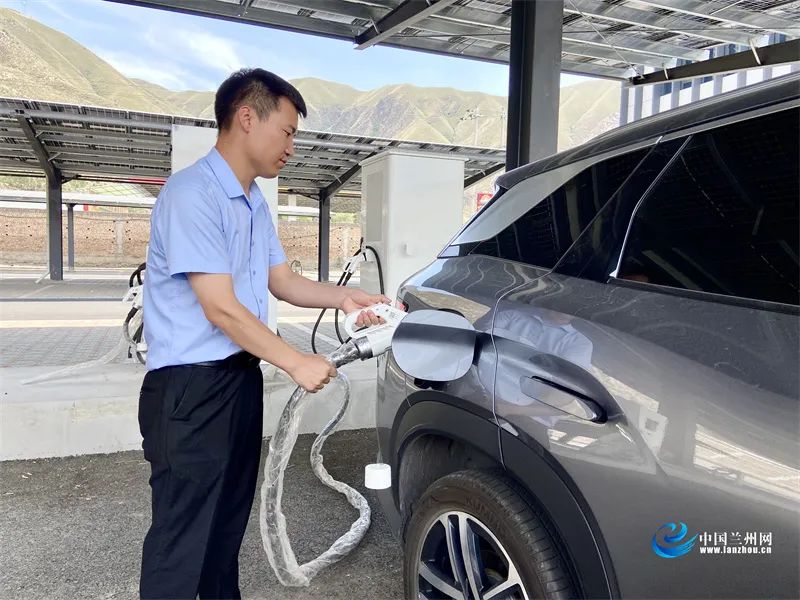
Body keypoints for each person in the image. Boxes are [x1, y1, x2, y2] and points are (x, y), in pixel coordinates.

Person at [137, 68, 389, 599]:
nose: (292, 147)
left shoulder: (253, 202)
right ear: (247, 118)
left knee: (225, 525)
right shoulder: (193, 194)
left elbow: (283, 281)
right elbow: (220, 308)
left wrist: (347, 298)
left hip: (237, 380)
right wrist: (295, 361)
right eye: (288, 131)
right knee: (182, 537)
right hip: (189, 389)